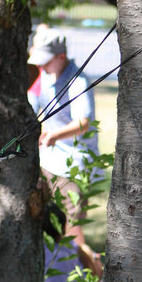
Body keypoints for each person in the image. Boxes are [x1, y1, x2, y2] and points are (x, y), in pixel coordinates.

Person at [27, 27, 98, 250]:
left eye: (47, 61)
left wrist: (54, 135)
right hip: (48, 160)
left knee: (72, 223)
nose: (42, 66)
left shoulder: (77, 80)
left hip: (73, 164)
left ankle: (79, 268)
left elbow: (83, 123)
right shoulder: (46, 76)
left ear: (61, 57)